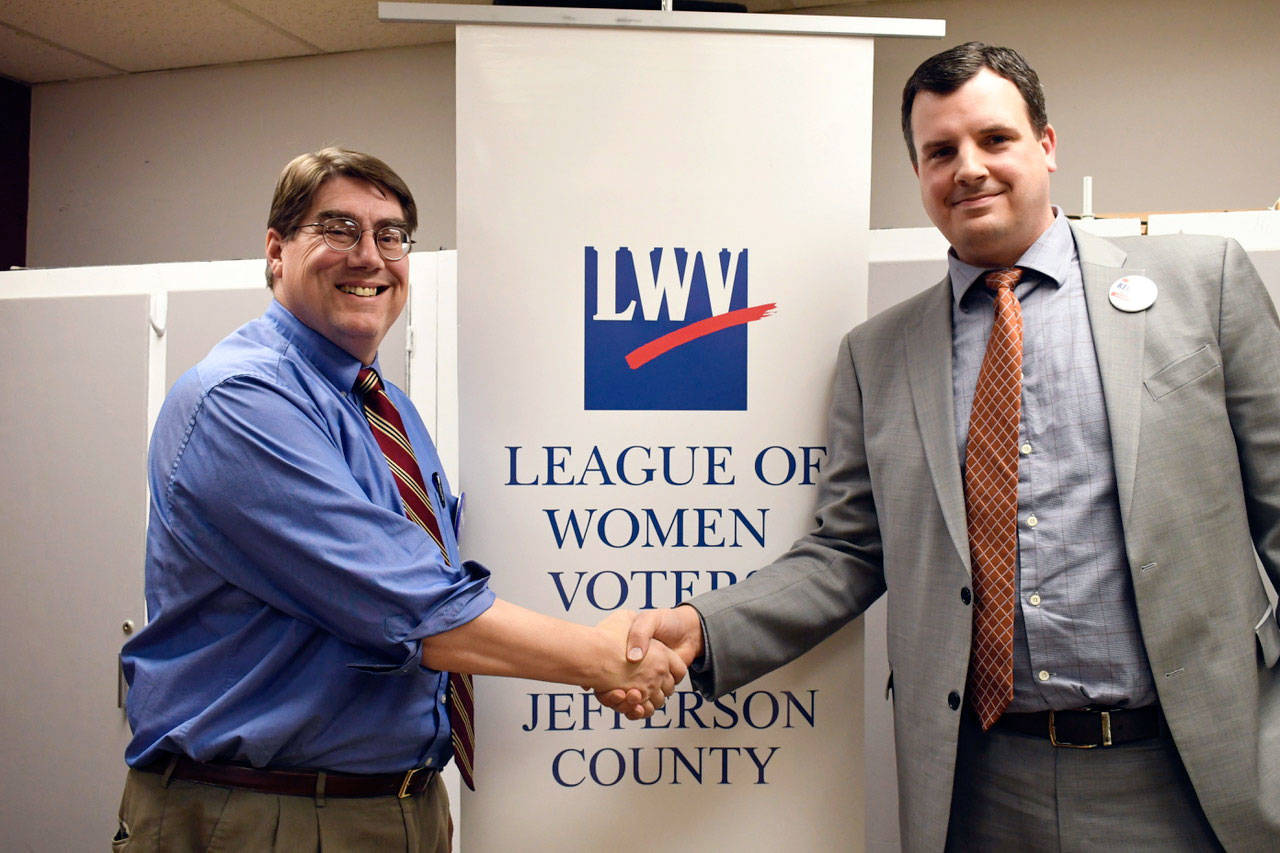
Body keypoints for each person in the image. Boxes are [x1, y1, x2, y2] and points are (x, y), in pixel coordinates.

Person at [612, 43, 1280, 850]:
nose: (969, 168)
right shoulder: (879, 354)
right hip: (983, 785)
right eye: (940, 152)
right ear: (921, 173)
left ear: (1047, 145)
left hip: (1189, 773)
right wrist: (703, 623)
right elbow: (849, 552)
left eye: (994, 139)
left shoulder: (1198, 283)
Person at [116, 147, 685, 851]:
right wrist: (608, 658)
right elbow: (412, 605)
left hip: (398, 804)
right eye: (339, 229)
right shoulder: (241, 400)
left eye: (391, 235)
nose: (370, 256)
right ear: (275, 251)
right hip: (263, 812)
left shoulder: (388, 411)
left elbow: (429, 594)